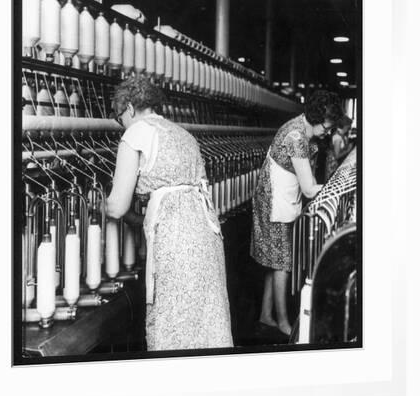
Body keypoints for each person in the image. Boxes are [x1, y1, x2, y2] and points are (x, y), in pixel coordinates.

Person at [105, 76, 233, 351]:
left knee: (174, 321)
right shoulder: (182, 133)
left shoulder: (136, 132)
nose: (121, 125)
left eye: (119, 118)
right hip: (206, 236)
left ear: (128, 108)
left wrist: (100, 206)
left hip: (175, 243)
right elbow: (179, 195)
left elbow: (117, 206)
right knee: (206, 321)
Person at [251, 90, 343, 336]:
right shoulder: (296, 136)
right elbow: (310, 188)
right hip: (275, 201)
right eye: (328, 126)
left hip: (283, 196)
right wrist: (337, 187)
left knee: (276, 260)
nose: (329, 131)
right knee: (282, 263)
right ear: (316, 117)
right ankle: (282, 322)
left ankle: (266, 315)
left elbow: (309, 179)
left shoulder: (304, 131)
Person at [325, 115, 353, 181]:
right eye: (349, 125)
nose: (350, 127)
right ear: (345, 125)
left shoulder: (342, 135)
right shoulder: (337, 137)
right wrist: (348, 150)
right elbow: (337, 156)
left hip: (338, 164)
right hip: (333, 166)